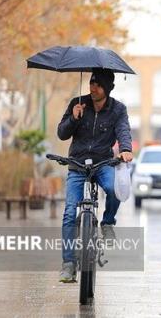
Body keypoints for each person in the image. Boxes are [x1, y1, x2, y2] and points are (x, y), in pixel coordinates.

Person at [56, 68, 133, 282]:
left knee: (113, 188)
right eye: (91, 82)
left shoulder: (118, 109)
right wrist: (73, 118)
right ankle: (68, 264)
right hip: (77, 164)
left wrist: (126, 149)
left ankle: (107, 222)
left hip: (103, 162)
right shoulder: (77, 103)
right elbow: (62, 134)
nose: (92, 87)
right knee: (70, 212)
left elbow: (124, 131)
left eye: (98, 84)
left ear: (107, 88)